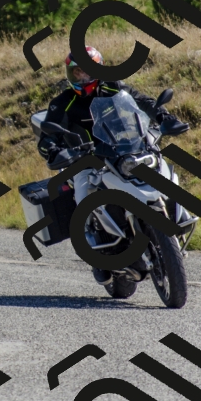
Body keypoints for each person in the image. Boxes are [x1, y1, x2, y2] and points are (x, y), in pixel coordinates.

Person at [37, 47, 190, 283]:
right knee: (83, 195)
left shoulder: (114, 87)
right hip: (86, 160)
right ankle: (94, 251)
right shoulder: (62, 102)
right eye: (78, 72)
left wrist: (164, 118)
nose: (83, 76)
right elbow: (46, 137)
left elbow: (143, 101)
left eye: (88, 71)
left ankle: (176, 218)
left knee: (162, 169)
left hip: (124, 149)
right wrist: (54, 150)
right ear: (70, 74)